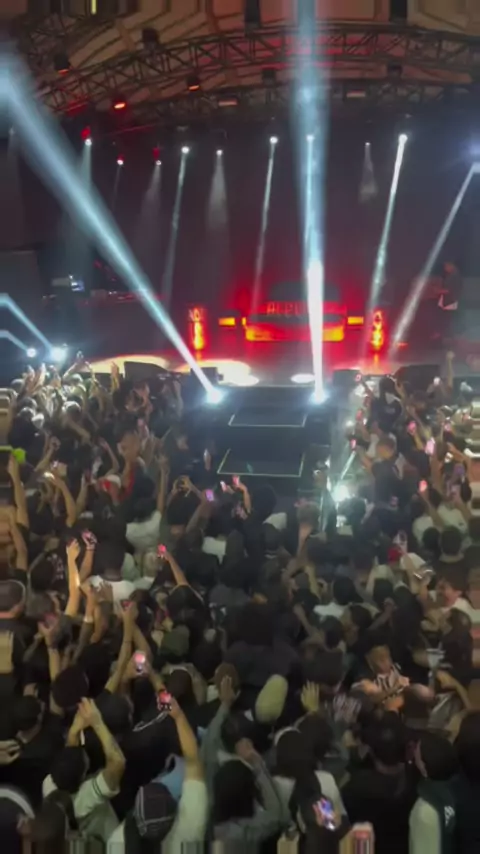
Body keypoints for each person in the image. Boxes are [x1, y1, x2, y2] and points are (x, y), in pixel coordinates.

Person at [409, 731, 458, 854]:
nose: (414, 755)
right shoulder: (457, 789)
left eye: (417, 754)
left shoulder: (425, 810)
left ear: (424, 768)